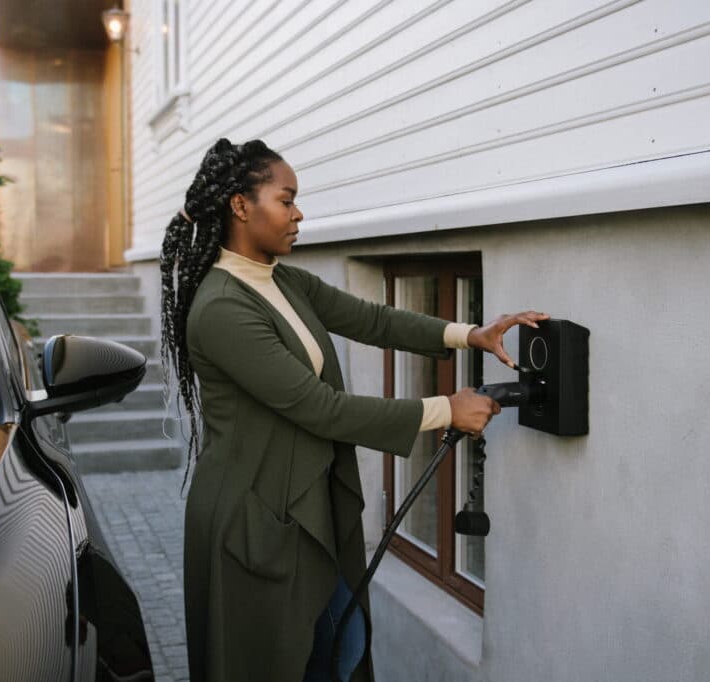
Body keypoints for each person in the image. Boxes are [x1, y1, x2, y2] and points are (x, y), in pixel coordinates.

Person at [159, 138, 547, 682]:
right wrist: (445, 410)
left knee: (340, 645)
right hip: (255, 521)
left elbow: (372, 319)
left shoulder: (281, 280)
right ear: (241, 207)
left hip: (305, 506)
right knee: (285, 660)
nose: (298, 214)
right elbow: (319, 409)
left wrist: (471, 334)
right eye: (286, 199)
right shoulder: (222, 307)